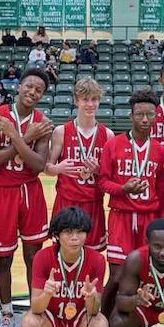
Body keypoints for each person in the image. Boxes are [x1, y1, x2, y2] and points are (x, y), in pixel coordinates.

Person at [0, 68, 54, 327]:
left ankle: (36, 311)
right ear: (19, 86)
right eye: (29, 86)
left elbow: (38, 166)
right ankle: (6, 313)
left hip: (29, 191)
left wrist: (13, 137)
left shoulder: (44, 123)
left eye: (38, 89)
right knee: (2, 258)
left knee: (33, 257)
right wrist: (24, 137)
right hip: (1, 191)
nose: (33, 92)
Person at [98, 89, 164, 320]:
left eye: (150, 114)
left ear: (157, 116)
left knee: (145, 277)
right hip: (121, 217)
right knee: (117, 277)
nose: (145, 119)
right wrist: (123, 189)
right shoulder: (114, 144)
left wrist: (160, 224)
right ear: (131, 116)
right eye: (140, 114)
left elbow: (162, 191)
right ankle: (102, 320)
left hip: (149, 220)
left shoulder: (160, 150)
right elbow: (103, 182)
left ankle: (136, 322)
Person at [21, 207, 109, 327]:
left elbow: (94, 311)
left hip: (80, 318)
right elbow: (36, 308)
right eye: (68, 232)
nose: (75, 238)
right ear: (57, 234)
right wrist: (46, 293)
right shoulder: (42, 257)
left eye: (80, 232)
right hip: (51, 317)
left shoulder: (97, 260)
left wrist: (90, 298)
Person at [46, 77, 114, 254]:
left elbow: (110, 177)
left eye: (94, 99)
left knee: (93, 255)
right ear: (76, 101)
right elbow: (47, 168)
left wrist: (98, 170)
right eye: (85, 99)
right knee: (61, 253)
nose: (90, 104)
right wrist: (58, 169)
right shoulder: (61, 131)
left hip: (93, 202)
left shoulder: (108, 135)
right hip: (66, 201)